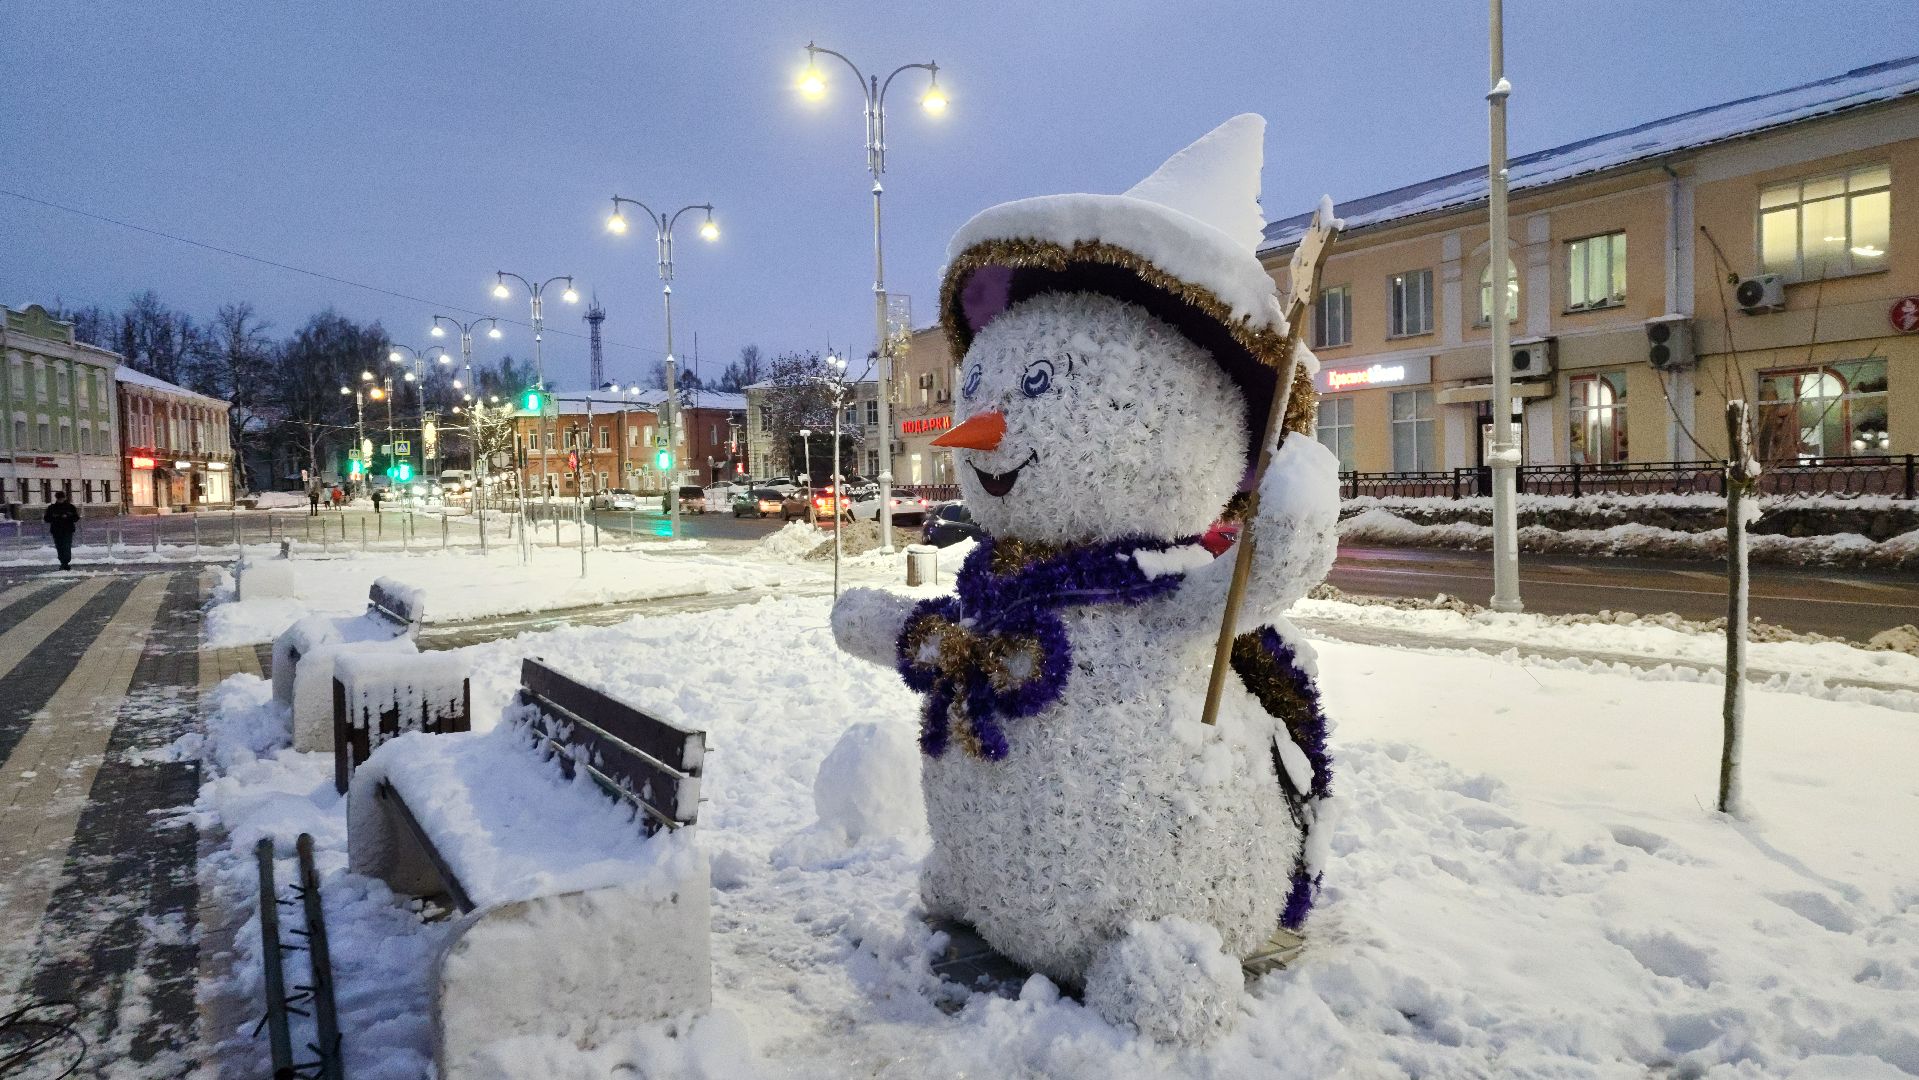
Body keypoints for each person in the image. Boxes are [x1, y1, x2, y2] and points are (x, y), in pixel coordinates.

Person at [43, 491, 80, 571]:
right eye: (59, 498)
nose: (60, 500)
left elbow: (76, 518)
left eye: (61, 498)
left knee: (66, 546)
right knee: (59, 546)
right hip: (56, 530)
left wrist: (67, 516)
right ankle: (63, 562)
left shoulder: (70, 507)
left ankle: (65, 562)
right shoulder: (52, 508)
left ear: (64, 498)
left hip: (67, 530)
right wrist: (56, 517)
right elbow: (47, 518)